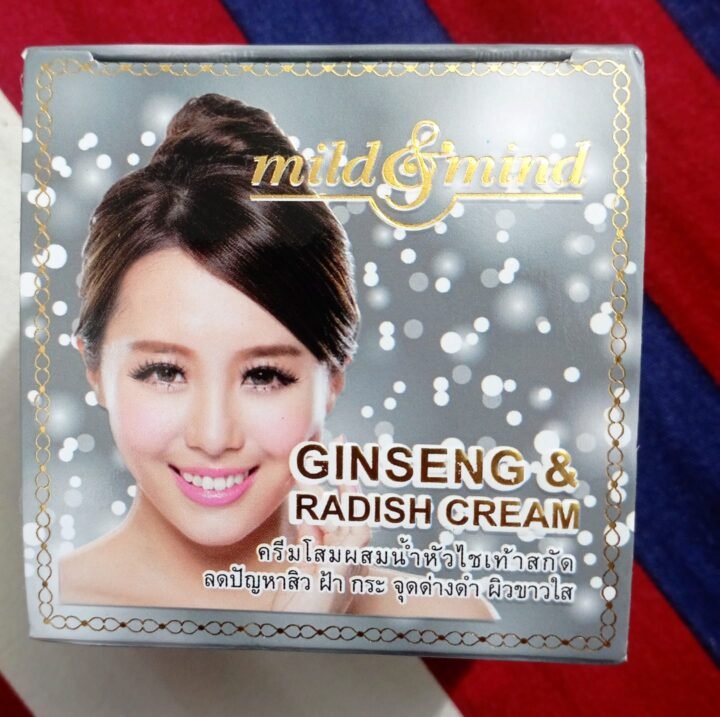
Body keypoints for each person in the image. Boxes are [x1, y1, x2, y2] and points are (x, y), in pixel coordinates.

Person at [60, 93, 495, 620]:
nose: (214, 437)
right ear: (94, 370)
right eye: (165, 372)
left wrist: (311, 623)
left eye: (263, 375)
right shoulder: (51, 611)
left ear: (333, 378)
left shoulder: (444, 621)